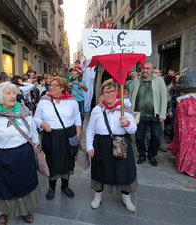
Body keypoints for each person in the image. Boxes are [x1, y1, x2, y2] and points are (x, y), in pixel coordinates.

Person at [0, 82, 40, 224]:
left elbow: (33, 131)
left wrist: (37, 148)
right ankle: (4, 212)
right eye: (8, 93)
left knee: (24, 184)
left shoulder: (24, 110)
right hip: (2, 157)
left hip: (23, 154)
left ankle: (24, 210)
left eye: (13, 93)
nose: (13, 96)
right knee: (4, 186)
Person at [86, 80, 137, 211]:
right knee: (99, 170)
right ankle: (97, 197)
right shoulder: (97, 109)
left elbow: (133, 130)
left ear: (117, 92)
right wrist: (89, 146)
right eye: (105, 92)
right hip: (101, 144)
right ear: (102, 94)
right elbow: (90, 129)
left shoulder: (124, 109)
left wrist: (127, 124)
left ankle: (126, 198)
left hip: (121, 143)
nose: (108, 94)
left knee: (124, 170)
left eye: (111, 91)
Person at [34, 77, 81, 200]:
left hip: (68, 134)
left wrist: (78, 134)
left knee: (68, 160)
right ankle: (51, 187)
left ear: (62, 88)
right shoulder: (44, 100)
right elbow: (36, 117)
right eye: (50, 85)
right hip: (51, 136)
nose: (52, 87)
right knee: (52, 161)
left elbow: (77, 118)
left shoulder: (71, 101)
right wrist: (42, 124)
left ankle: (65, 186)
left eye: (55, 85)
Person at [130, 61, 167, 166]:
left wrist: (163, 114)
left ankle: (152, 155)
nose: (145, 70)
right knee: (139, 137)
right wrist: (131, 112)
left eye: (147, 68)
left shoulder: (159, 80)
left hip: (154, 114)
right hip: (139, 114)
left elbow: (163, 97)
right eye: (143, 68)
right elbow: (132, 95)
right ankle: (142, 155)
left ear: (152, 69)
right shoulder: (136, 80)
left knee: (156, 137)